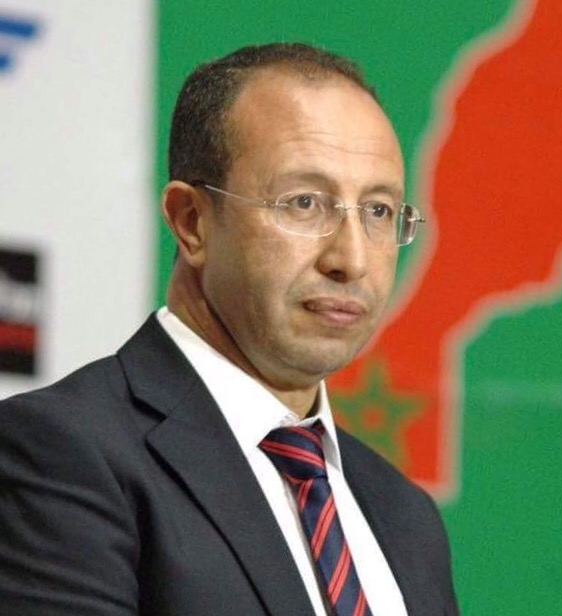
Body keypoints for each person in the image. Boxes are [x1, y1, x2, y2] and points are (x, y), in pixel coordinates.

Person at [0, 43, 458, 615]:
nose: (352, 259)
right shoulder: (64, 453)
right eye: (304, 203)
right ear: (191, 222)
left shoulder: (407, 516)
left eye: (379, 211)